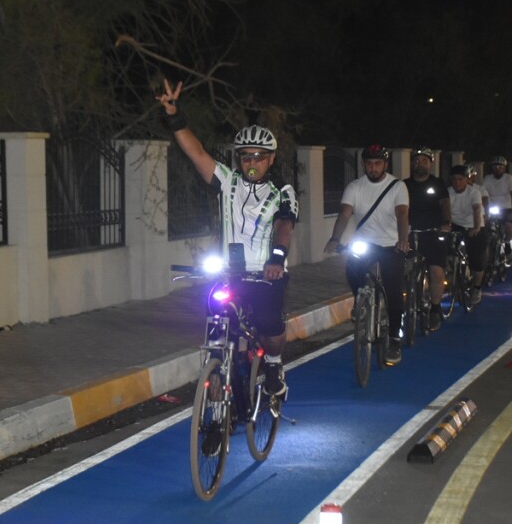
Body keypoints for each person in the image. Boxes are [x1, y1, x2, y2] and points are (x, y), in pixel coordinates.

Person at [156, 79, 297, 397]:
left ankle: (273, 362)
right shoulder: (227, 182)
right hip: (229, 273)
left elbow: (285, 225)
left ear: (271, 159)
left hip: (266, 274)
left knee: (269, 327)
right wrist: (175, 116)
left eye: (259, 156)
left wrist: (276, 260)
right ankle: (219, 399)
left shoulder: (281, 192)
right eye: (245, 156)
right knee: (218, 324)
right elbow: (197, 153)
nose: (251, 162)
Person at [325, 145, 410, 365]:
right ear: (364, 165)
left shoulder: (397, 186)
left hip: (391, 244)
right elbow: (344, 215)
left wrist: (403, 239)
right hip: (365, 243)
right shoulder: (355, 187)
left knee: (393, 290)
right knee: (352, 268)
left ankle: (394, 340)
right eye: (369, 163)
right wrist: (335, 238)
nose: (373, 168)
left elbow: (402, 215)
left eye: (377, 163)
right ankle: (360, 300)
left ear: (385, 165)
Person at [403, 148, 451, 331]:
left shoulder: (437, 184)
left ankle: (435, 309)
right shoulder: (404, 185)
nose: (419, 163)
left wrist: (446, 222)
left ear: (430, 164)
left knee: (436, 272)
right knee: (400, 269)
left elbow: (445, 204)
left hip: (433, 232)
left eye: (424, 160)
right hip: (410, 232)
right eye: (416, 160)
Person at [447, 164, 486, 306]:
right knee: (446, 249)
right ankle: (452, 276)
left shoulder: (474, 193)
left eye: (460, 179)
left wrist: (476, 227)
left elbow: (476, 209)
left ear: (466, 180)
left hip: (473, 225)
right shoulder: (448, 192)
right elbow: (444, 210)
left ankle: (476, 288)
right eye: (454, 179)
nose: (457, 182)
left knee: (476, 258)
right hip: (456, 225)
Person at [481, 156, 512, 256]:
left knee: (509, 224)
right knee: (485, 227)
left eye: (500, 167)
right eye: (495, 167)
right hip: (492, 207)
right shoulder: (487, 179)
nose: (497, 169)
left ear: (504, 168)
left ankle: (507, 243)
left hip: (507, 207)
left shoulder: (509, 178)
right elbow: (483, 193)